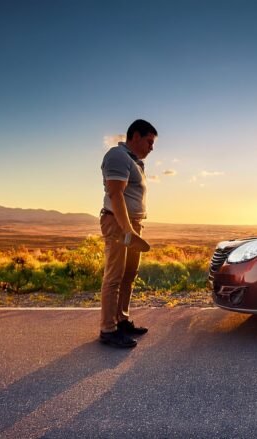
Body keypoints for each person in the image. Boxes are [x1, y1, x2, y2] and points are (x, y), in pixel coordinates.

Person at [99, 119, 156, 348]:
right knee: (114, 276)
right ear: (135, 137)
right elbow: (115, 194)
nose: (152, 147)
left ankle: (121, 320)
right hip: (119, 224)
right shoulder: (118, 156)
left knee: (129, 275)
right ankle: (108, 329)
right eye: (149, 141)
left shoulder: (136, 163)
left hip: (132, 225)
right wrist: (128, 230)